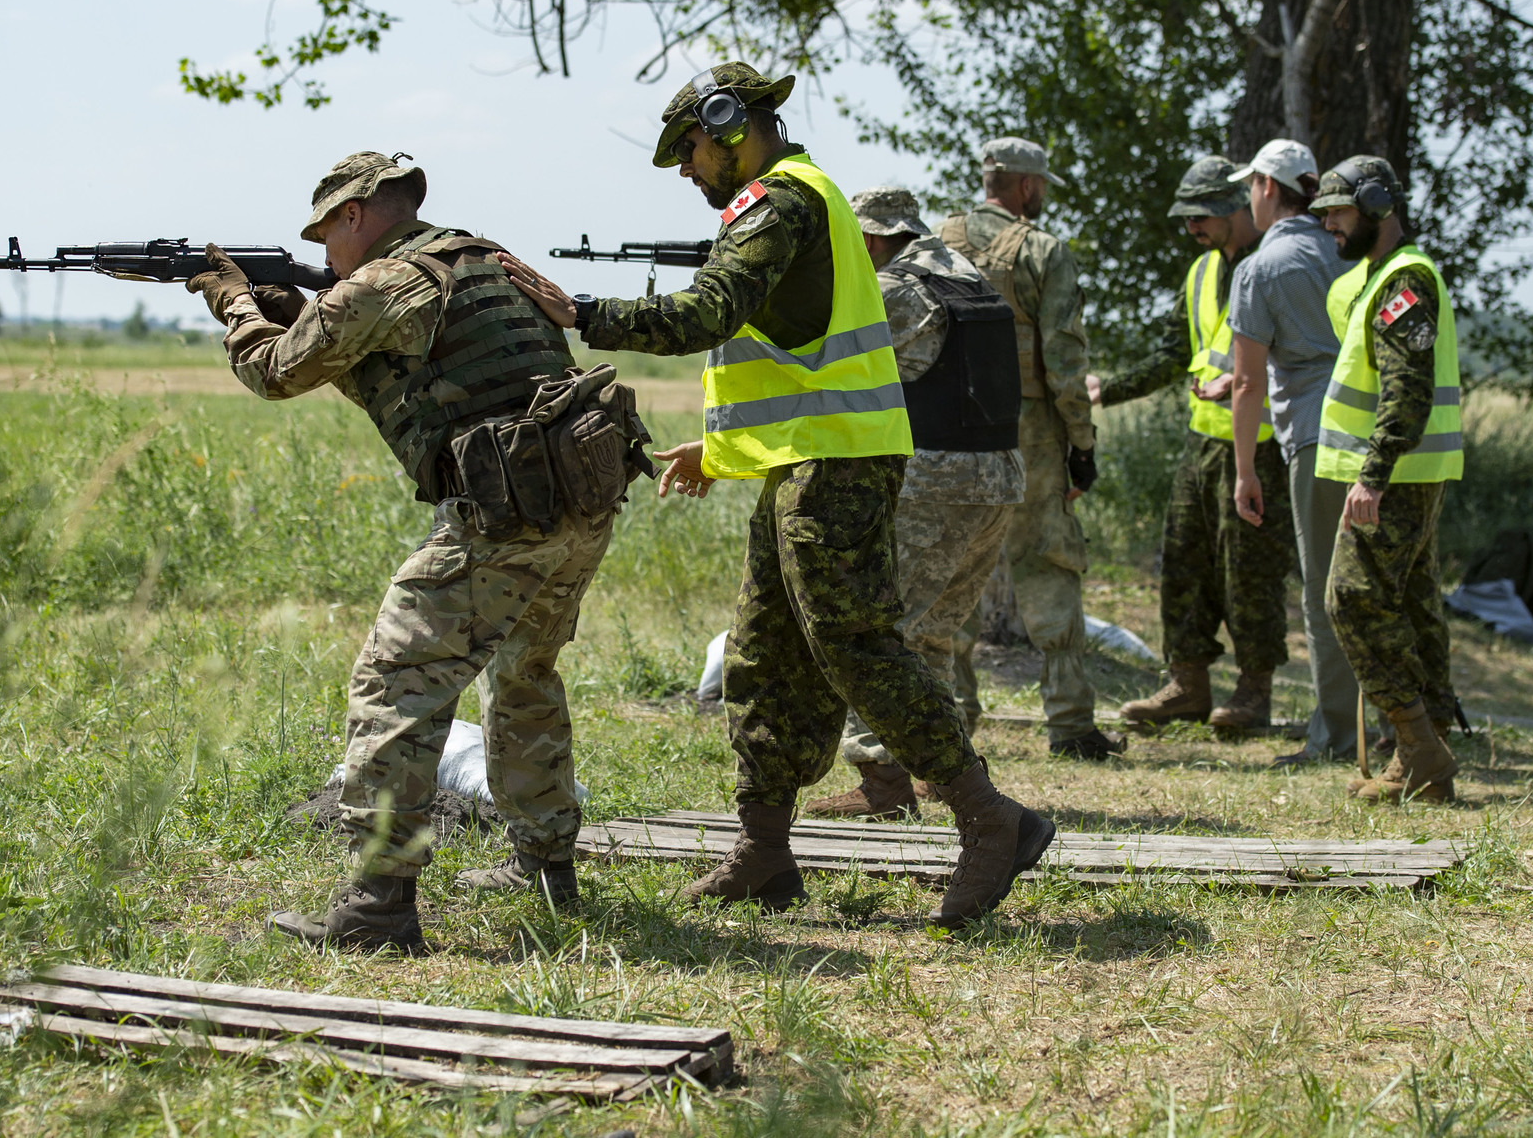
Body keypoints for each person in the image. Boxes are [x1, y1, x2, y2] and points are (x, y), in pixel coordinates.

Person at [501, 63, 1055, 925]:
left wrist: (581, 313)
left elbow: (707, 314)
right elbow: (790, 361)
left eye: (687, 149)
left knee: (856, 645)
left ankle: (990, 820)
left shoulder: (782, 202)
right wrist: (719, 454)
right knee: (762, 651)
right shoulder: (786, 203)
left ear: (727, 125)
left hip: (837, 462)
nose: (685, 170)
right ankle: (763, 852)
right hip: (809, 457)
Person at [192, 151, 640, 951]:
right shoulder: (480, 258)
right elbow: (403, 376)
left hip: (504, 515)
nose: (325, 249)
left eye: (325, 231)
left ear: (355, 214)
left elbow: (272, 373)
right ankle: (545, 866)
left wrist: (233, 303)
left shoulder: (383, 282)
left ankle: (378, 907)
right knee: (525, 672)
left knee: (397, 682)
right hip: (580, 499)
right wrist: (302, 309)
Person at [803, 186, 1025, 819]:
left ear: (870, 238)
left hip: (934, 484)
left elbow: (835, 369)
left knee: (882, 628)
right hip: (998, 479)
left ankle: (883, 782)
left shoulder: (899, 288)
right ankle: (940, 770)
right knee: (933, 635)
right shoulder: (969, 277)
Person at [939, 139, 1123, 760]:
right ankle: (1071, 724)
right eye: (1041, 186)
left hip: (950, 430)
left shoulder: (936, 244)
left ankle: (949, 721)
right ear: (1025, 186)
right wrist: (1082, 444)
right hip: (1031, 433)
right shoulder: (1045, 250)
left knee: (950, 570)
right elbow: (1066, 359)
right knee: (1049, 564)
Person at [1099, 157, 1295, 734]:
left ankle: (1253, 694)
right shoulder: (1201, 273)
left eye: (1201, 217)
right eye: (1186, 219)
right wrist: (1106, 391)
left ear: (1236, 208)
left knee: (1250, 575)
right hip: (1201, 444)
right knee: (1183, 563)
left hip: (1262, 447)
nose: (1191, 229)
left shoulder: (1276, 266)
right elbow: (1170, 353)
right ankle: (1187, 684)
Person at [1309, 157, 1464, 802]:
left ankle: (1420, 747)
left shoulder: (1404, 280)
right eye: (1323, 216)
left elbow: (1409, 389)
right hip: (1405, 472)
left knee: (1350, 598)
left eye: (1339, 213)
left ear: (1376, 205)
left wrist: (1373, 476)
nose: (1331, 227)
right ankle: (1419, 756)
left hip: (1392, 476)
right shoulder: (1377, 278)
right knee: (1414, 607)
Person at [1223, 139, 1363, 765]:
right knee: (1379, 582)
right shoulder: (1346, 249)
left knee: (1324, 589)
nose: (1246, 198)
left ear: (1269, 188)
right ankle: (1395, 723)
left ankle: (1336, 735)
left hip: (1316, 434)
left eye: (1250, 185)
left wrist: (1245, 469)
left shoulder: (1260, 268)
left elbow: (1249, 380)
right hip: (1380, 434)